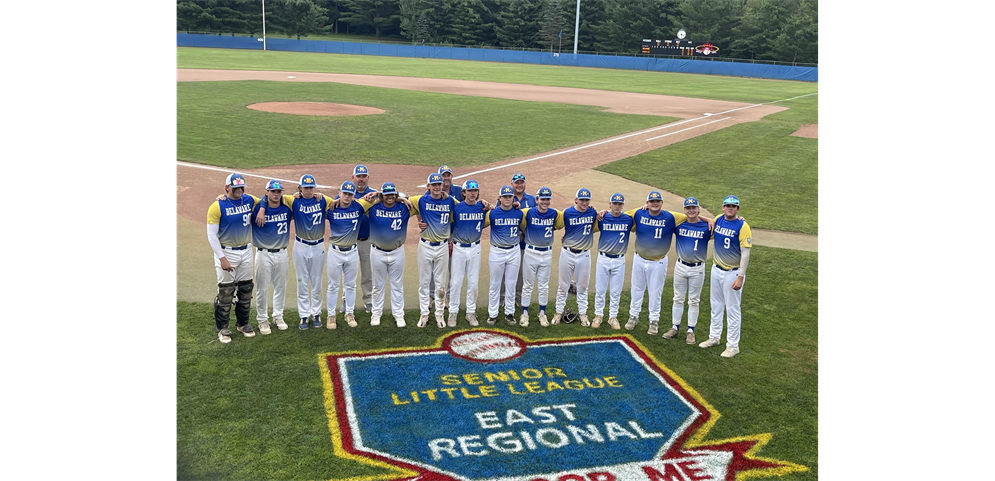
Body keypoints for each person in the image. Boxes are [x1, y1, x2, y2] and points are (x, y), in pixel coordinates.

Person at [622, 191, 715, 335]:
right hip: (639, 259)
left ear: (662, 203)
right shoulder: (639, 213)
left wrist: (708, 219)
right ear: (647, 203)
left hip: (658, 261)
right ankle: (633, 317)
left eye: (657, 201)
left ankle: (654, 321)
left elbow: (691, 216)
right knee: (637, 289)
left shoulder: (671, 217)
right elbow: (621, 215)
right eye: (651, 201)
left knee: (655, 292)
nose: (655, 203)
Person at [206, 173, 263, 343]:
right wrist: (222, 258)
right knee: (226, 292)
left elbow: (268, 201)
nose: (239, 190)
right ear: (227, 187)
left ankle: (243, 323)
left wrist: (297, 195)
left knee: (246, 289)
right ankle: (222, 328)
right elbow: (211, 235)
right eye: (235, 187)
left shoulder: (249, 199)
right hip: (226, 251)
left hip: (246, 250)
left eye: (241, 187)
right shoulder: (217, 206)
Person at [355, 183, 415, 327]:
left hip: (397, 252)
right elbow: (358, 205)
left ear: (396, 195)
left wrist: (403, 200)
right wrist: (376, 195)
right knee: (377, 285)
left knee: (397, 286)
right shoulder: (374, 208)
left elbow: (420, 202)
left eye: (392, 194)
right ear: (383, 195)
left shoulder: (404, 208)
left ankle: (399, 315)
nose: (390, 197)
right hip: (377, 252)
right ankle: (376, 314)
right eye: (387, 194)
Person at [699, 195, 753, 358]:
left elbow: (746, 254)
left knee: (732, 309)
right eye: (728, 205)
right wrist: (698, 215)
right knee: (715, 305)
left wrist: (740, 277)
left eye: (733, 206)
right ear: (723, 207)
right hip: (717, 269)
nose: (730, 208)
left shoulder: (743, 226)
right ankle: (714, 337)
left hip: (733, 273)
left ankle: (733, 345)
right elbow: (707, 220)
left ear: (737, 209)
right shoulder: (718, 220)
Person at [408, 173, 458, 328]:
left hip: (443, 246)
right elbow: (402, 200)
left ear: (442, 186)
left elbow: (465, 206)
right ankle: (424, 314)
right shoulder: (421, 200)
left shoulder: (450, 200)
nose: (437, 187)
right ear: (428, 186)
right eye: (434, 185)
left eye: (439, 184)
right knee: (424, 283)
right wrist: (418, 219)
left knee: (440, 283)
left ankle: (439, 314)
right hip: (425, 246)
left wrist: (484, 203)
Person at [664, 197, 712, 344]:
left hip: (697, 268)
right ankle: (675, 327)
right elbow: (662, 213)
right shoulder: (679, 224)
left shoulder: (707, 226)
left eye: (694, 208)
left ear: (698, 209)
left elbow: (724, 222)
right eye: (688, 208)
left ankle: (690, 330)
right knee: (677, 297)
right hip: (681, 265)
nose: (691, 210)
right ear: (684, 210)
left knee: (694, 300)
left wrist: (708, 219)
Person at [287, 174, 330, 330]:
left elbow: (341, 202)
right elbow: (269, 198)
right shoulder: (294, 200)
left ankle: (316, 313)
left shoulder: (323, 200)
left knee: (317, 282)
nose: (309, 190)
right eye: (306, 188)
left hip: (318, 245)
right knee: (302, 281)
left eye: (311, 187)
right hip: (301, 246)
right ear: (300, 188)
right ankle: (304, 315)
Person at [323, 181, 366, 329]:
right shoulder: (331, 207)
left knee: (350, 285)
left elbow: (380, 198)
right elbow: (316, 199)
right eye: (344, 193)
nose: (347, 197)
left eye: (350, 194)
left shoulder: (359, 205)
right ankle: (331, 315)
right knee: (333, 285)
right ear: (339, 193)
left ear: (354, 196)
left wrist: (401, 198)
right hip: (335, 252)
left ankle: (349, 313)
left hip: (352, 251)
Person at [518, 186, 564, 327]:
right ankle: (524, 313)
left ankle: (542, 313)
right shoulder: (528, 212)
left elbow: (562, 222)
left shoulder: (555, 214)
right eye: (542, 199)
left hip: (546, 253)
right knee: (528, 284)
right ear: (536, 200)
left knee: (544, 285)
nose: (545, 202)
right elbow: (515, 215)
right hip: (530, 252)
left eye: (547, 199)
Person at [251, 180, 292, 334]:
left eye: (278, 192)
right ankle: (262, 319)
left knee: (280, 286)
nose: (276, 194)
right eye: (272, 191)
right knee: (262, 288)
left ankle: (278, 316)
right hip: (263, 254)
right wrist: (262, 207)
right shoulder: (256, 209)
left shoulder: (287, 209)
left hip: (282, 252)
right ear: (266, 192)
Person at [447, 179, 490, 327]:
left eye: (475, 190)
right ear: (463, 192)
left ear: (478, 192)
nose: (472, 193)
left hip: (475, 248)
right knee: (455, 282)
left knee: (473, 282)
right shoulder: (457, 208)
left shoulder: (483, 207)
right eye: (469, 191)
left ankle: (470, 312)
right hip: (459, 248)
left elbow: (500, 209)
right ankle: (453, 312)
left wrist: (489, 204)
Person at [552, 187, 598, 326]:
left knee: (582, 286)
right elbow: (556, 226)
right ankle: (558, 312)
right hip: (567, 253)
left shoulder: (593, 212)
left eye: (587, 200)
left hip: (584, 254)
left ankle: (583, 314)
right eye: (582, 200)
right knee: (563, 285)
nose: (584, 203)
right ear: (576, 200)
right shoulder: (567, 213)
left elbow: (598, 223)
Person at [591, 193, 634, 330]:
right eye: (614, 203)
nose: (617, 206)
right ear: (610, 204)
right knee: (600, 289)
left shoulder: (628, 219)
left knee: (616, 291)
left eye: (619, 204)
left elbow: (639, 213)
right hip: (603, 258)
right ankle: (598, 315)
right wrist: (599, 211)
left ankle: (612, 317)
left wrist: (645, 206)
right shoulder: (602, 217)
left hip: (619, 259)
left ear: (622, 205)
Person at [486, 185, 525, 325]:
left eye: (510, 196)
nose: (507, 199)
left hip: (514, 251)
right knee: (495, 284)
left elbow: (525, 227)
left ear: (513, 198)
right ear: (499, 198)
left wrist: (522, 233)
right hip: (497, 251)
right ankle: (493, 313)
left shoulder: (519, 213)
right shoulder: (492, 213)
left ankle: (509, 313)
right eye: (505, 197)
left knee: (511, 283)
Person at [340, 165, 376, 315]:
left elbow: (390, 199)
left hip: (368, 240)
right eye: (358, 176)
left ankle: (368, 300)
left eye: (364, 176)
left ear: (368, 178)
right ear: (353, 178)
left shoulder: (374, 195)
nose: (361, 179)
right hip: (350, 242)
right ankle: (346, 300)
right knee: (348, 273)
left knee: (368, 273)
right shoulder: (345, 194)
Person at [428, 165, 462, 311]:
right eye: (443, 175)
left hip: (455, 235)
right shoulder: (430, 192)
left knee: (452, 269)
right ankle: (431, 297)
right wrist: (420, 221)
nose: (446, 178)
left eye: (448, 175)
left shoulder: (460, 191)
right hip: (437, 235)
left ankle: (447, 297)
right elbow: (420, 206)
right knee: (434, 269)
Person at [501, 172, 535, 310]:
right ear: (512, 184)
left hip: (526, 243)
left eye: (521, 182)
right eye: (517, 182)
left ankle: (518, 297)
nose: (519, 185)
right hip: (510, 242)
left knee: (521, 272)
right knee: (505, 271)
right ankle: (503, 297)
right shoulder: (506, 197)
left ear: (525, 184)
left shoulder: (532, 200)